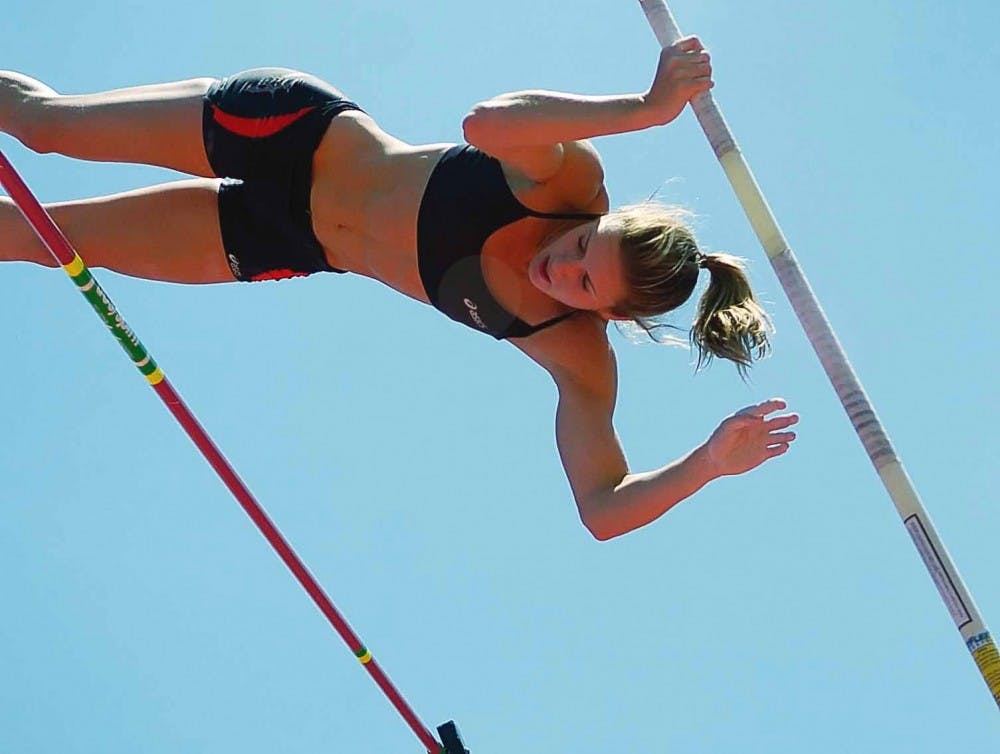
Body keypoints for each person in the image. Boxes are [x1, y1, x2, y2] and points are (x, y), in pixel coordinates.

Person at [0, 36, 797, 540]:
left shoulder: (575, 356)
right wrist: (647, 110)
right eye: (583, 242)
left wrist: (706, 464)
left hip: (287, 239)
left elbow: (602, 507)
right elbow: (486, 123)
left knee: (49, 242)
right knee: (44, 126)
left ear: (610, 313)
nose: (561, 265)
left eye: (584, 283)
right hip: (294, 137)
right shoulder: (568, 179)